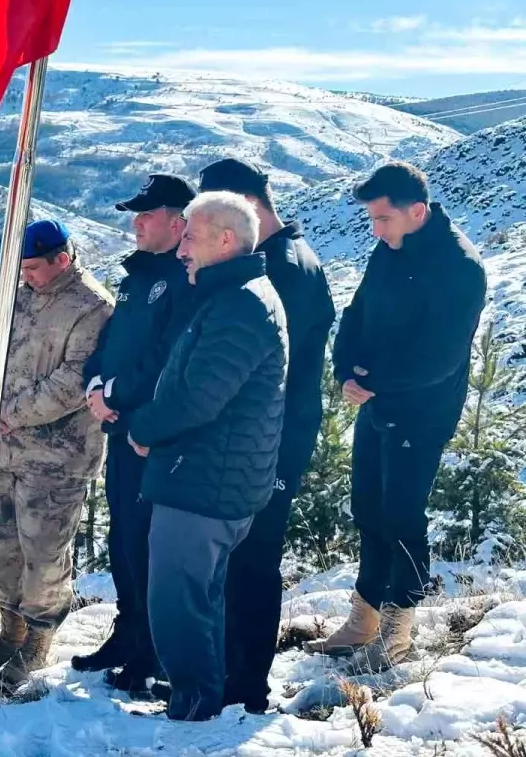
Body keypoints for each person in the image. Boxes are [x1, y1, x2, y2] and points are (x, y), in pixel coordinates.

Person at [305, 162, 486, 673]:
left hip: (422, 411)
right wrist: (345, 370)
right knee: (368, 505)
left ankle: (397, 631)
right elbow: (357, 314)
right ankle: (362, 620)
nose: (374, 230)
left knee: (402, 513)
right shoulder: (387, 250)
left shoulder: (460, 266)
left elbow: (440, 357)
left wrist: (372, 380)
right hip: (376, 400)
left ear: (418, 212)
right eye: (372, 219)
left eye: (382, 219)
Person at [127, 192, 289, 722]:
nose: (181, 251)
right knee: (199, 597)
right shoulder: (235, 295)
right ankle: (197, 697)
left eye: (191, 237)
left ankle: (192, 708)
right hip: (211, 474)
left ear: (225, 240)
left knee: (179, 599)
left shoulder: (241, 304)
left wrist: (144, 427)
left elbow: (199, 397)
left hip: (203, 480)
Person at [197, 159, 336, 714]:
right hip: (275, 433)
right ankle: (235, 672)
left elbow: (265, 366)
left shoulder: (280, 269)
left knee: (253, 558)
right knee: (246, 555)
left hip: (271, 439)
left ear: (246, 206)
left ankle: (246, 683)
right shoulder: (293, 256)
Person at [71, 173, 196, 695]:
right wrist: (96, 384)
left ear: (177, 221)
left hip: (152, 430)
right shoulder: (135, 277)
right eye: (135, 215)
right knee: (124, 538)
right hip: (119, 427)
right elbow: (110, 345)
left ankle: (153, 649)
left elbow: (166, 358)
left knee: (149, 542)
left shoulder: (183, 279)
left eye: (146, 215)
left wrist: (115, 392)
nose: (136, 223)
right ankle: (128, 632)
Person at [0, 220, 113, 686]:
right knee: (0, 545)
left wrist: (10, 412)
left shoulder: (91, 306)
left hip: (57, 457)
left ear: (62, 259)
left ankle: (39, 638)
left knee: (44, 551)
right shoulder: (21, 296)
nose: (25, 276)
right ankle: (9, 628)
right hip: (5, 450)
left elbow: (75, 380)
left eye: (32, 267)